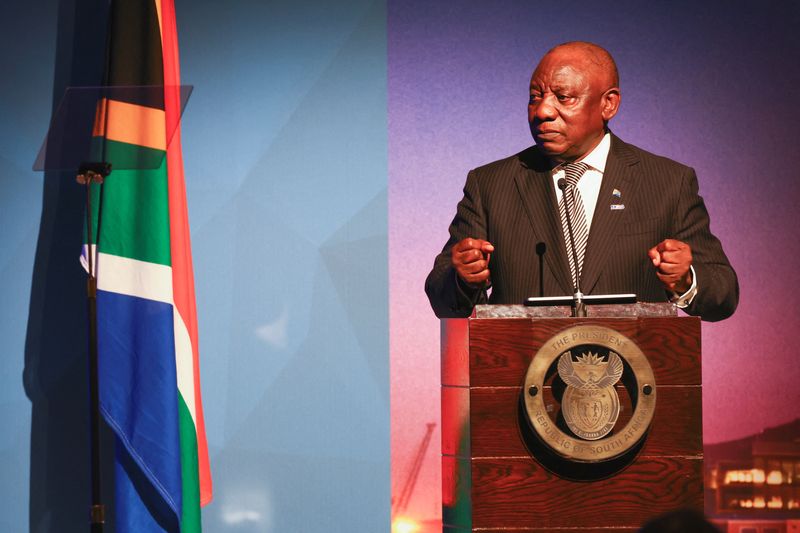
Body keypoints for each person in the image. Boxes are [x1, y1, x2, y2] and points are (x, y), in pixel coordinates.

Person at [425, 41, 738, 321]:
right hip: (523, 379)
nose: (543, 110)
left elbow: (723, 295)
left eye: (563, 97)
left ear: (608, 104)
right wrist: (462, 278)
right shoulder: (490, 185)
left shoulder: (668, 182)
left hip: (631, 380)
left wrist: (686, 281)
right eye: (536, 97)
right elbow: (441, 297)